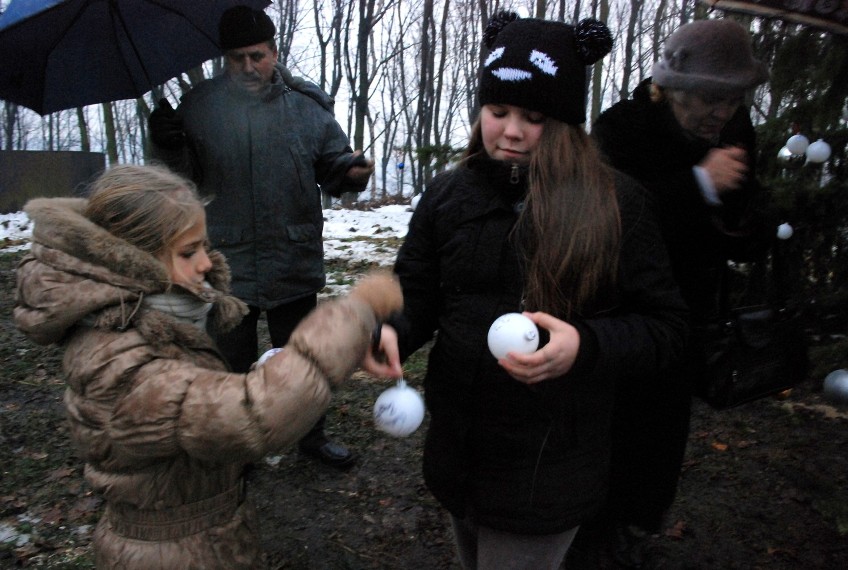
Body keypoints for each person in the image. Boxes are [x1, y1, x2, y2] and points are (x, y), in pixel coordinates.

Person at [362, 12, 689, 570]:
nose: (510, 131)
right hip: (458, 447)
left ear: (562, 122)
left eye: (533, 117)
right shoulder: (448, 196)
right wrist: (391, 331)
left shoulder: (617, 204)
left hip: (551, 463)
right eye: (497, 111)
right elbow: (414, 291)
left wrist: (584, 346)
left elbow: (667, 330)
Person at [13, 164, 401, 568]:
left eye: (204, 246)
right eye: (188, 252)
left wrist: (286, 363)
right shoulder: (117, 363)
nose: (205, 264)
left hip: (204, 538)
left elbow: (201, 398)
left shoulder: (152, 323)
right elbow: (253, 413)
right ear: (133, 260)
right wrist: (356, 314)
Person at [148, 5, 374, 469]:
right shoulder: (199, 106)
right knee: (229, 368)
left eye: (257, 56)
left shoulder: (306, 107)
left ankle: (311, 439)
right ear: (224, 59)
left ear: (274, 52)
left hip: (292, 257)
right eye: (236, 59)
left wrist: (352, 174)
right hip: (226, 264)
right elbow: (180, 184)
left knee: (305, 363)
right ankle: (239, 452)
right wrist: (168, 142)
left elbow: (334, 169)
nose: (248, 68)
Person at [586, 18, 775, 567]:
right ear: (670, 87)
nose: (722, 112)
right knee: (612, 425)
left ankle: (633, 527)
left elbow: (748, 215)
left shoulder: (736, 131)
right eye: (709, 99)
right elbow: (609, 221)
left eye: (734, 98)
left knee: (662, 434)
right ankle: (589, 528)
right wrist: (698, 185)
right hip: (621, 308)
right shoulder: (621, 128)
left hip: (691, 308)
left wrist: (744, 221)